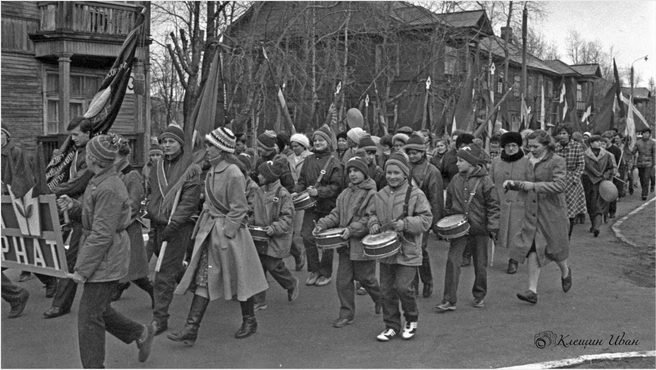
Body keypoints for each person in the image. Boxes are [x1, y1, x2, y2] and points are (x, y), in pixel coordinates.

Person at [57, 134, 155, 368]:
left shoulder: (108, 186)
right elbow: (94, 217)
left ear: (92, 158)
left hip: (107, 258)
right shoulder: (101, 180)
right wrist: (74, 207)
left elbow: (102, 234)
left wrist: (82, 270)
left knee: (89, 318)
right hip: (105, 256)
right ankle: (140, 333)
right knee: (98, 310)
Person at [168, 127, 268, 346]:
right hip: (210, 232)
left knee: (241, 279)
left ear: (222, 149)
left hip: (228, 236)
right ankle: (191, 328)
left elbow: (239, 208)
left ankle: (249, 320)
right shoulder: (213, 170)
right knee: (205, 278)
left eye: (211, 145)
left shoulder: (232, 172)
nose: (207, 149)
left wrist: (227, 231)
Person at [367, 152, 432, 341]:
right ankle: (391, 325)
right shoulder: (379, 195)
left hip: (408, 249)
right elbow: (372, 214)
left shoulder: (416, 195)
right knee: (386, 290)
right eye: (389, 172)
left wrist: (406, 224)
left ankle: (411, 319)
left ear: (405, 174)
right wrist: (373, 224)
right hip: (386, 250)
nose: (392, 176)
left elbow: (426, 219)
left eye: (397, 172)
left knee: (403, 287)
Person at [314, 154, 382, 328]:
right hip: (345, 246)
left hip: (361, 245)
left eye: (357, 170)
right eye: (350, 171)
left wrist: (352, 229)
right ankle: (347, 314)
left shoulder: (372, 194)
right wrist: (322, 224)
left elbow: (370, 218)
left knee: (366, 279)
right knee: (342, 281)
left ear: (365, 173)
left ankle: (380, 298)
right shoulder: (344, 193)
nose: (352, 174)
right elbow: (336, 214)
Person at [146, 124, 201, 335]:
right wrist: (153, 216)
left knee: (163, 273)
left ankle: (160, 318)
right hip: (158, 223)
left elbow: (189, 201)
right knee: (172, 266)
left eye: (171, 142)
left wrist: (174, 223)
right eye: (164, 142)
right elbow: (152, 194)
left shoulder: (190, 168)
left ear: (180, 144)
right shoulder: (157, 166)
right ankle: (194, 285)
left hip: (178, 226)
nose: (167, 145)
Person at [506, 130, 571, 304]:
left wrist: (533, 186)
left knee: (555, 250)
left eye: (536, 146)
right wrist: (514, 185)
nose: (531, 149)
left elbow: (560, 185)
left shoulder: (557, 161)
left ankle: (565, 271)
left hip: (552, 212)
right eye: (529, 146)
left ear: (546, 145)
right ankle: (532, 291)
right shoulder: (528, 161)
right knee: (533, 247)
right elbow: (526, 183)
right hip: (532, 212)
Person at [436, 144, 499, 312]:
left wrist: (493, 227)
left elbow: (493, 205)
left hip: (479, 228)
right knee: (452, 262)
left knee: (480, 264)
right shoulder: (456, 179)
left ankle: (479, 295)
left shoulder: (486, 181)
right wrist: (448, 221)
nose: (457, 163)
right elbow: (448, 202)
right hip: (459, 228)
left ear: (471, 163)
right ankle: (449, 299)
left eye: (461, 160)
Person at [44, 117, 95, 318]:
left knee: (81, 258)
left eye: (76, 134)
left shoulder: (92, 154)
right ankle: (61, 304)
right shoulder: (77, 152)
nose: (72, 139)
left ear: (88, 133)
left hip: (88, 211)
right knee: (71, 258)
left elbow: (78, 183)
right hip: (78, 212)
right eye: (71, 135)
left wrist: (51, 191)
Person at [1, 123, 57, 296]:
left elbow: (24, 179)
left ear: (6, 136)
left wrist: (6, 187)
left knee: (25, 244)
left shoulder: (15, 152)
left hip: (17, 203)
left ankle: (49, 280)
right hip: (3, 204)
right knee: (13, 245)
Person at [293, 125, 344, 287]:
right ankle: (315, 270)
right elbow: (302, 180)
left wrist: (319, 192)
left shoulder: (335, 162)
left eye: (321, 139)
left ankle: (326, 273)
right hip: (311, 206)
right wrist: (297, 191)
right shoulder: (308, 160)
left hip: (329, 207)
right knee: (307, 236)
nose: (317, 142)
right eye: (315, 140)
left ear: (328, 142)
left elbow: (337, 186)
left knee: (326, 241)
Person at [111, 136, 154, 307]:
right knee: (122, 268)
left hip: (127, 229)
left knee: (134, 271)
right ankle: (119, 287)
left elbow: (133, 206)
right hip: (117, 228)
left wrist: (117, 223)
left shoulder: (131, 174)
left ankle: (154, 293)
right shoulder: (114, 173)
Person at [250, 160, 299, 310]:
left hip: (274, 237)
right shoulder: (259, 191)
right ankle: (259, 301)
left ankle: (291, 283)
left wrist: (275, 227)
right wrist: (250, 221)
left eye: (262, 174)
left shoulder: (283, 194)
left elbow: (287, 218)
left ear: (269, 176)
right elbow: (254, 211)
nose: (258, 176)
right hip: (259, 236)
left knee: (273, 265)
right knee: (257, 268)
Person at [404, 134, 444, 298]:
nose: (412, 156)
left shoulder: (432, 171)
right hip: (406, 214)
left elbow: (436, 198)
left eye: (416, 152)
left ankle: (427, 280)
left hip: (423, 215)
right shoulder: (404, 167)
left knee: (419, 249)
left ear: (423, 152)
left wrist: (436, 223)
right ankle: (412, 284)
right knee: (409, 249)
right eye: (410, 153)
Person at [489, 132, 529, 274]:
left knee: (517, 234)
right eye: (507, 146)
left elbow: (530, 182)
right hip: (499, 203)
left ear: (519, 146)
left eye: (514, 145)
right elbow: (490, 181)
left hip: (520, 204)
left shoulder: (527, 161)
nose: (511, 149)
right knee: (498, 231)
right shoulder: (495, 161)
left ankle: (514, 260)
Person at [554, 124, 587, 239]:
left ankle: (568, 234)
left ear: (569, 134)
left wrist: (575, 178)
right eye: (560, 133)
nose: (562, 136)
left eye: (564, 133)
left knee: (570, 209)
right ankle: (557, 233)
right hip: (557, 178)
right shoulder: (555, 147)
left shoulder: (577, 146)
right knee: (557, 206)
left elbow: (581, 164)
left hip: (572, 179)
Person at [582, 135, 616, 237]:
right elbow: (582, 168)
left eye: (600, 141)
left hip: (602, 183)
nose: (599, 143)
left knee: (600, 205)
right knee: (590, 204)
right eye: (596, 141)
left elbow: (611, 168)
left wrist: (605, 175)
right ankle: (593, 225)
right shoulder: (585, 155)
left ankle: (596, 227)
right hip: (589, 182)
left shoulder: (606, 155)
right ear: (591, 144)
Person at [287, 133, 312, 271]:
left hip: (304, 193)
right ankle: (297, 252)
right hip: (291, 193)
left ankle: (300, 251)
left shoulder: (310, 157)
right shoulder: (288, 158)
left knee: (300, 227)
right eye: (292, 146)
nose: (294, 148)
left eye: (296, 146)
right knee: (290, 226)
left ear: (303, 146)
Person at [602, 131, 622, 220]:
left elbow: (617, 163)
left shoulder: (614, 151)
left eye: (605, 141)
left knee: (611, 193)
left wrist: (616, 171)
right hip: (600, 177)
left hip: (610, 175)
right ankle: (602, 212)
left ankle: (612, 211)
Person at [633, 128, 655, 200]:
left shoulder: (652, 143)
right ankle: (644, 189)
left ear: (649, 134)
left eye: (647, 133)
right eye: (644, 133)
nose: (646, 134)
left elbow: (654, 153)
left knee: (646, 178)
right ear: (642, 134)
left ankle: (644, 194)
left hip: (649, 163)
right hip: (640, 163)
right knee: (642, 178)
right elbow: (633, 151)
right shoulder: (638, 142)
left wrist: (654, 163)